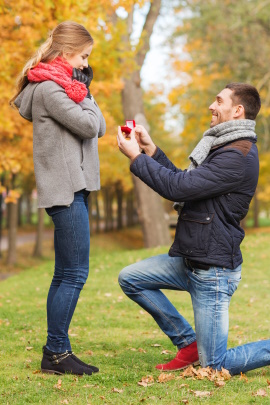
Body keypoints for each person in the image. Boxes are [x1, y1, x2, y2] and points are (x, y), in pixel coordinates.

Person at [117, 83, 270, 376]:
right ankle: (188, 343)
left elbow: (177, 187)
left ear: (237, 110)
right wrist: (152, 152)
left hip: (213, 272)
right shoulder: (222, 146)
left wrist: (137, 158)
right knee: (131, 279)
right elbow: (186, 187)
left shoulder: (237, 155)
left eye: (218, 101)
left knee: (214, 365)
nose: (212, 106)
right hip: (192, 258)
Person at [10, 21, 106, 375]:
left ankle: (57, 351)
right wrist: (89, 98)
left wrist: (86, 96)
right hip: (65, 190)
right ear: (66, 53)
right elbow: (91, 126)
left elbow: (102, 126)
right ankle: (56, 353)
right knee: (75, 273)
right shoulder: (51, 89)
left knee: (65, 273)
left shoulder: (65, 88)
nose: (84, 64)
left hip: (71, 186)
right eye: (82, 56)